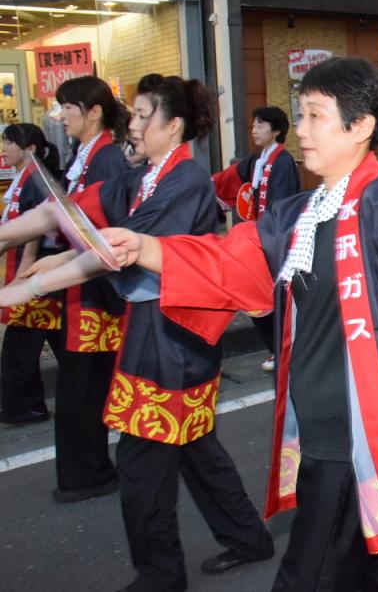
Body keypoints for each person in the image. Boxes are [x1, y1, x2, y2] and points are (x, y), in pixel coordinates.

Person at [95, 57, 378, 590]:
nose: (299, 129)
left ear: (361, 127)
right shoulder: (300, 211)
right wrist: (144, 247)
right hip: (317, 420)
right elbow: (230, 260)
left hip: (357, 432)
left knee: (309, 574)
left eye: (314, 115)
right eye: (300, 114)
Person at [0, 76, 276, 591]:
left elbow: (111, 254)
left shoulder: (186, 180)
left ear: (172, 126)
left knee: (142, 461)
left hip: (174, 338)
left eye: (143, 112)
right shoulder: (141, 176)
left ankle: (160, 575)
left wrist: (22, 291)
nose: (132, 121)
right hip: (154, 331)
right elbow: (61, 212)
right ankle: (247, 539)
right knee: (194, 446)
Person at [50, 76, 129, 502]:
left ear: (93, 111)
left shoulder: (107, 159)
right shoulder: (87, 154)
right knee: (80, 387)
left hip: (96, 293)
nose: (62, 117)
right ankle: (86, 470)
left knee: (84, 388)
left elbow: (106, 229)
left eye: (68, 108)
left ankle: (91, 472)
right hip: (82, 286)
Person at [211, 105, 300, 370]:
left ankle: (284, 349)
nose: (254, 130)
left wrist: (268, 240)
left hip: (273, 241)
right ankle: (278, 348)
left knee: (268, 298)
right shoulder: (258, 159)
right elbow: (232, 179)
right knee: (255, 297)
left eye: (260, 125)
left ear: (276, 130)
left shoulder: (282, 161)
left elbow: (281, 206)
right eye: (253, 125)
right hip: (258, 239)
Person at [0, 124, 63, 425]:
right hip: (40, 274)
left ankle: (26, 407)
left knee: (20, 344)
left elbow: (35, 235)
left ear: (30, 149)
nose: (4, 148)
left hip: (41, 273)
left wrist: (22, 277)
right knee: (59, 341)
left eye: (10, 142)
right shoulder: (24, 180)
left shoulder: (36, 182)